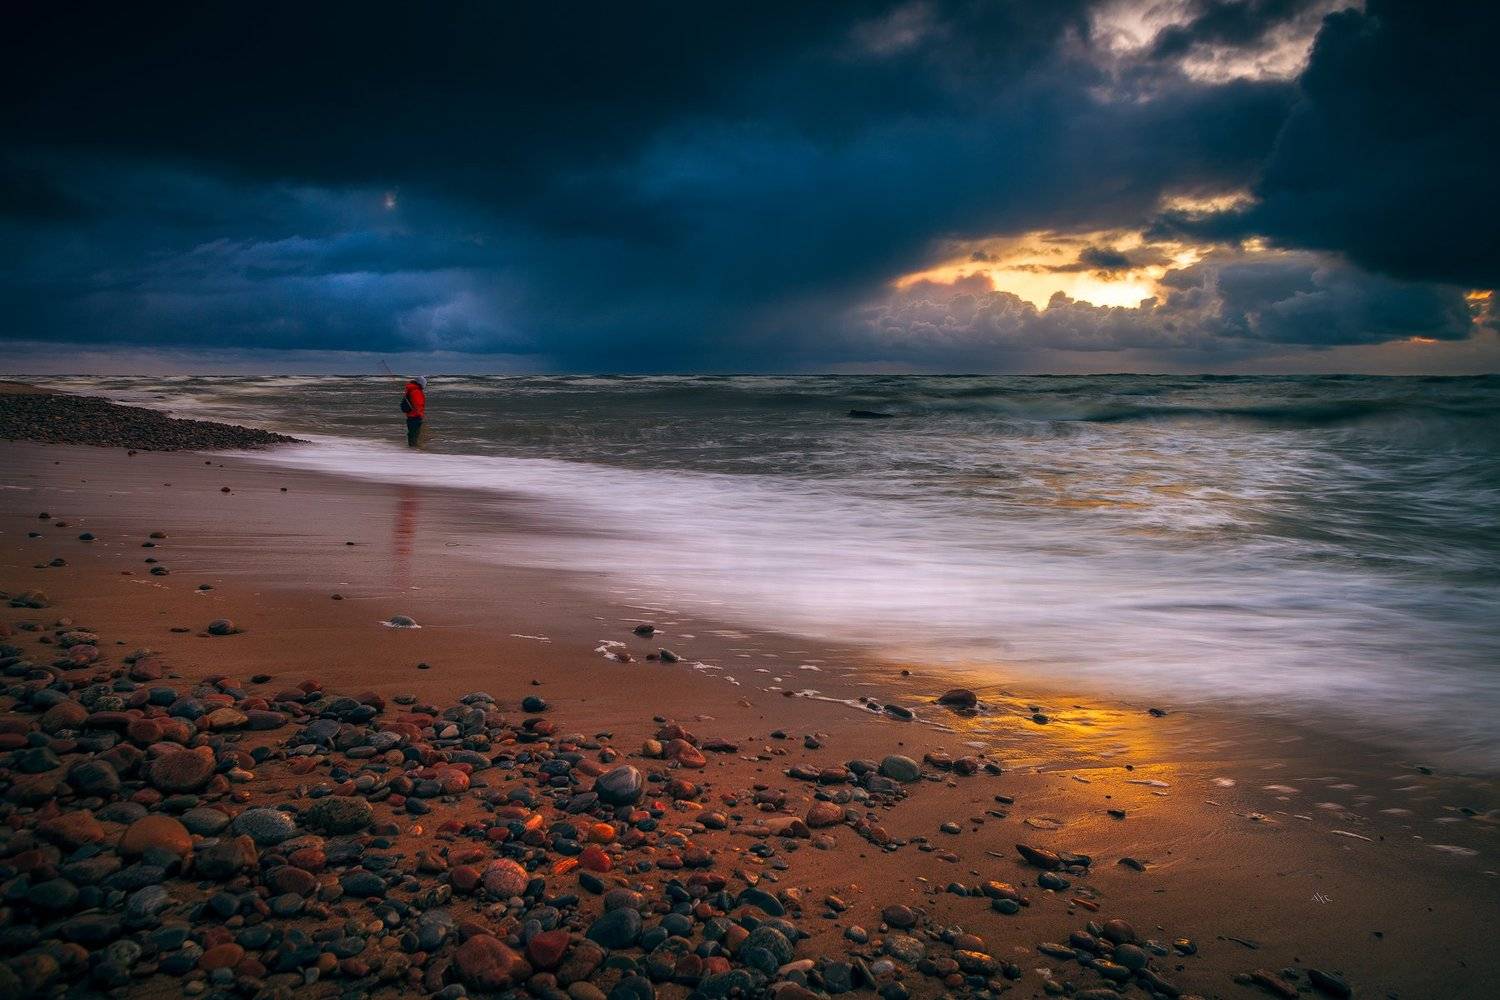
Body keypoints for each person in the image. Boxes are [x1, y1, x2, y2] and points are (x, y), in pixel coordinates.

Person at [400, 376, 427, 447]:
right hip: (415, 416)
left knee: (412, 433)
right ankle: (413, 449)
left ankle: (412, 448)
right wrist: (420, 415)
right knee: (414, 433)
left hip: (411, 415)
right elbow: (418, 404)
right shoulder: (416, 391)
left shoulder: (411, 389)